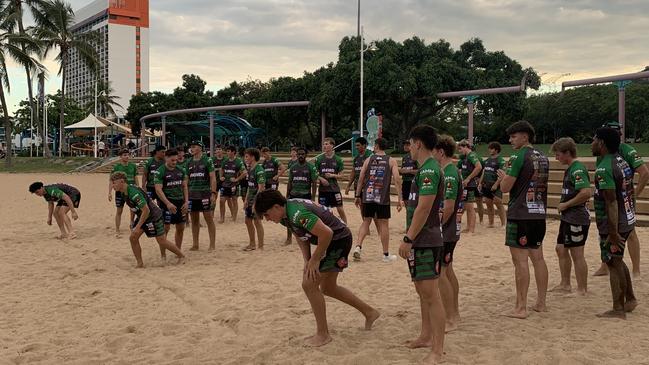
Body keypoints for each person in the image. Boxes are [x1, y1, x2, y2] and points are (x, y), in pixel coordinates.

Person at [254, 189, 380, 347]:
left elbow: (326, 233)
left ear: (276, 207)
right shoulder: (286, 214)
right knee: (328, 288)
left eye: (266, 214)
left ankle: (323, 334)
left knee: (309, 284)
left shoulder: (297, 213)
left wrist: (314, 260)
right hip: (333, 239)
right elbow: (300, 235)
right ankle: (369, 312)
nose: (267, 219)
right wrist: (307, 260)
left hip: (338, 240)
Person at [398, 125, 446, 364]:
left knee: (431, 295)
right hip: (421, 240)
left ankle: (437, 349)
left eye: (410, 144)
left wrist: (408, 237)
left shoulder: (429, 170)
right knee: (422, 292)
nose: (409, 149)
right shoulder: (424, 169)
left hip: (426, 240)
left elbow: (424, 207)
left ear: (417, 143)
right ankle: (426, 336)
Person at [497, 121, 549, 319]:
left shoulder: (518, 156)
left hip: (521, 213)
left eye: (514, 136)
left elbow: (505, 188)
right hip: (539, 212)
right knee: (538, 258)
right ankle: (541, 303)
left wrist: (503, 177)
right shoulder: (542, 156)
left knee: (520, 262)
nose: (511, 140)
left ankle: (521, 307)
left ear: (525, 136)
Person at [591, 127, 638, 319]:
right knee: (617, 260)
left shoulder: (605, 167)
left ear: (601, 143)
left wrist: (612, 232)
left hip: (614, 222)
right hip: (626, 218)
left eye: (594, 140)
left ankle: (618, 308)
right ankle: (630, 299)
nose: (592, 143)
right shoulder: (622, 161)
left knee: (612, 262)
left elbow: (611, 201)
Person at [594, 121, 649, 277]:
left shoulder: (627, 151)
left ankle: (636, 269)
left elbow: (644, 173)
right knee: (604, 231)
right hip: (609, 198)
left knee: (630, 232)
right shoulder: (603, 153)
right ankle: (604, 265)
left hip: (623, 199)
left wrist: (635, 195)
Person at [110, 172, 185, 268]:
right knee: (133, 237)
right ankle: (140, 264)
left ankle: (181, 256)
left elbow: (146, 210)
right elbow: (132, 206)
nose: (112, 186)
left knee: (162, 241)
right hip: (143, 215)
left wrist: (137, 227)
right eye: (112, 183)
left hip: (153, 215)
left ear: (121, 181)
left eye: (114, 183)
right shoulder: (123, 191)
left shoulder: (133, 192)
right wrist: (132, 221)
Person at [550, 138, 591, 295]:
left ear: (567, 153)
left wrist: (566, 205)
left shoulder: (577, 169)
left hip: (577, 217)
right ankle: (565, 284)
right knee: (560, 248)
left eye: (558, 154)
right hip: (568, 217)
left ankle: (582, 289)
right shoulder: (570, 168)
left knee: (577, 253)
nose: (556, 158)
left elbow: (586, 192)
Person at [352, 137, 402, 262]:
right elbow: (397, 179)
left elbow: (361, 178)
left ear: (377, 146)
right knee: (384, 224)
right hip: (382, 197)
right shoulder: (391, 161)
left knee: (366, 221)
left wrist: (358, 196)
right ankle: (385, 255)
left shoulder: (368, 159)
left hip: (368, 195)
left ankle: (358, 246)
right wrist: (400, 198)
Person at [433, 135, 463, 332]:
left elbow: (449, 207)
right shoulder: (449, 170)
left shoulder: (450, 173)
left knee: (442, 273)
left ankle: (452, 317)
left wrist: (436, 226)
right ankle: (454, 313)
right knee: (448, 270)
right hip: (450, 230)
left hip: (447, 231)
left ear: (441, 152)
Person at [155, 149, 189, 257]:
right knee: (165, 229)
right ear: (166, 158)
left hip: (180, 202)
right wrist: (168, 203)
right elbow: (158, 190)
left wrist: (187, 201)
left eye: (176, 160)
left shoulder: (181, 170)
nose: (175, 162)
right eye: (172, 160)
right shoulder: (160, 171)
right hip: (166, 203)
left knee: (180, 228)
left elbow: (184, 187)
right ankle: (163, 255)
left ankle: (177, 252)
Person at [187, 141, 217, 251]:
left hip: (204, 193)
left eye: (194, 146)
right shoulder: (188, 161)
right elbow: (186, 179)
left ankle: (212, 244)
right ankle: (195, 244)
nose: (192, 148)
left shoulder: (207, 160)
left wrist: (213, 193)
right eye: (191, 147)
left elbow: (213, 178)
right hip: (192, 194)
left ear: (200, 148)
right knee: (194, 220)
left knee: (208, 219)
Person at [285, 147, 318, 245]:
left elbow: (314, 183)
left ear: (306, 155)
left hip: (305, 195)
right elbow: (289, 182)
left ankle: (308, 236)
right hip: (293, 195)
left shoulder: (310, 167)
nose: (300, 156)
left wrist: (313, 197)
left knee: (306, 217)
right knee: (289, 217)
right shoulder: (293, 167)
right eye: (299, 154)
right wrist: (287, 195)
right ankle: (289, 238)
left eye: (302, 154)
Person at [315, 138, 348, 223]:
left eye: (326, 144)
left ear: (332, 145)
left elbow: (342, 176)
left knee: (340, 208)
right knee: (322, 210)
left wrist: (332, 175)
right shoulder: (319, 159)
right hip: (323, 189)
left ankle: (345, 225)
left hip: (334, 189)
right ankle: (325, 226)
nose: (324, 146)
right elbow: (314, 173)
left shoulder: (338, 159)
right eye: (324, 144)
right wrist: (321, 179)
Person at [108, 149, 139, 237]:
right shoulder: (116, 167)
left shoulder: (133, 166)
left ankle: (132, 224)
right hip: (119, 192)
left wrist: (138, 188)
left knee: (133, 209)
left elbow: (135, 177)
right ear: (120, 157)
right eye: (124, 155)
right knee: (119, 211)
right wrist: (109, 192)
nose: (127, 156)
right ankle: (117, 229)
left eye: (128, 155)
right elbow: (111, 180)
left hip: (131, 191)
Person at [456, 140, 482, 233]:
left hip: (470, 185)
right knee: (467, 206)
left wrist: (468, 178)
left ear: (466, 146)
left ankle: (471, 229)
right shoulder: (465, 157)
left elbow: (479, 167)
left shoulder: (471, 155)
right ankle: (468, 227)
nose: (460, 151)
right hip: (466, 185)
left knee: (470, 207)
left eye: (460, 148)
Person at [479, 142, 506, 227]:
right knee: (488, 203)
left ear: (496, 150)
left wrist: (496, 184)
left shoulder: (501, 161)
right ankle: (491, 223)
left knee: (498, 203)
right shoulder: (487, 160)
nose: (489, 150)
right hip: (486, 185)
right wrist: (480, 182)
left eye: (491, 148)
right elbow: (484, 171)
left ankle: (503, 224)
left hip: (496, 185)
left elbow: (502, 174)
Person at [243, 148, 266, 251]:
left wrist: (255, 203)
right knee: (247, 221)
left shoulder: (259, 170)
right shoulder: (249, 169)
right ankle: (252, 244)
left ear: (252, 157)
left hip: (257, 199)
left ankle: (260, 246)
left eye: (247, 156)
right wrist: (246, 200)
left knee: (257, 221)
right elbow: (250, 186)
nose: (245, 158)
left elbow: (261, 188)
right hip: (250, 199)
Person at [219, 145, 245, 223]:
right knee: (221, 201)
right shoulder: (225, 161)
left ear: (233, 152)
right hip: (225, 184)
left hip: (234, 185)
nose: (227, 153)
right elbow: (221, 169)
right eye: (227, 151)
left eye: (229, 151)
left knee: (234, 200)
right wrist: (221, 176)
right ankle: (222, 218)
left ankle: (234, 218)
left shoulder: (238, 161)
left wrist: (237, 179)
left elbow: (244, 172)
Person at [400, 140, 418, 223]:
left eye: (407, 145)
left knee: (414, 204)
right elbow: (402, 170)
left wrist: (408, 171)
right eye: (404, 145)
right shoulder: (404, 157)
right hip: (405, 182)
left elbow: (419, 171)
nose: (405, 146)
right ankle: (409, 223)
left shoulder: (416, 157)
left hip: (413, 182)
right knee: (406, 203)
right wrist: (401, 171)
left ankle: (414, 223)